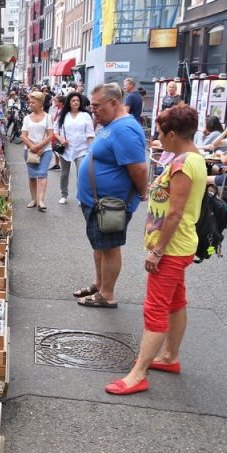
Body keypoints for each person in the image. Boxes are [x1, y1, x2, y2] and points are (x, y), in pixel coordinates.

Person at [106, 105, 206, 395]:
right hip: (180, 245)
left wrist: (158, 250)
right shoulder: (193, 158)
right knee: (175, 302)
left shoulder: (183, 164)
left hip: (173, 248)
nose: (158, 139)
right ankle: (169, 356)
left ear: (173, 134)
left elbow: (175, 213)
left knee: (156, 308)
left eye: (160, 134)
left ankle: (138, 374)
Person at [75, 83, 148, 307]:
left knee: (109, 247)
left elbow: (139, 169)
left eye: (97, 106)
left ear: (113, 103)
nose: (92, 110)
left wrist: (142, 193)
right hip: (97, 201)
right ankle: (100, 283)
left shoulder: (125, 129)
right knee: (100, 245)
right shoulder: (112, 124)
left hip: (110, 204)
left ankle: (107, 295)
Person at [55, 93, 95, 204]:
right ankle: (64, 195)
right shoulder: (63, 115)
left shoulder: (86, 115)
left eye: (78, 100)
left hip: (82, 149)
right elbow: (55, 131)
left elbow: (90, 134)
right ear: (69, 102)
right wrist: (61, 140)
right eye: (73, 100)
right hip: (65, 149)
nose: (76, 102)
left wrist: (92, 149)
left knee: (81, 173)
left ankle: (80, 196)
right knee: (64, 173)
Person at [21, 91, 55, 212]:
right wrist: (32, 146)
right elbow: (23, 135)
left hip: (45, 150)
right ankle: (33, 199)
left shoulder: (48, 117)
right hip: (29, 150)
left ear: (41, 103)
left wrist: (39, 146)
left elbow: (51, 135)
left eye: (33, 102)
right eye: (30, 102)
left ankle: (40, 200)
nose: (30, 104)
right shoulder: (26, 118)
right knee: (32, 176)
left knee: (42, 174)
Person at [48, 95, 65, 170]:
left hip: (58, 132)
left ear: (61, 103)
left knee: (55, 147)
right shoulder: (59, 109)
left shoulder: (63, 110)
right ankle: (57, 164)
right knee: (55, 146)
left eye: (57, 101)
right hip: (55, 130)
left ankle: (62, 164)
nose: (55, 102)